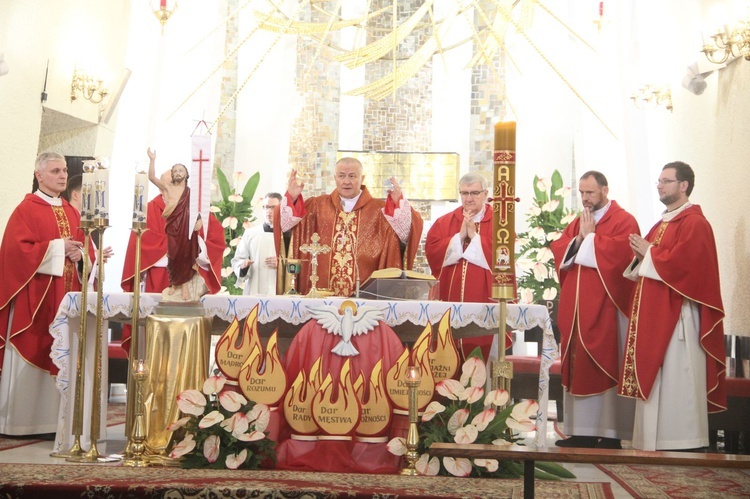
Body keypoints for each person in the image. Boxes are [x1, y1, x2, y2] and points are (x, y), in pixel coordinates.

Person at [620, 161, 725, 451]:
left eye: (666, 181)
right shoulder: (662, 223)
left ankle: (682, 439)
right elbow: (654, 261)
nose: (659, 185)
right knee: (657, 375)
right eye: (658, 181)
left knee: (678, 376)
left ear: (684, 185)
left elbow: (687, 267)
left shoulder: (695, 223)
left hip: (679, 316)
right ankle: (651, 439)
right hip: (656, 314)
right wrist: (642, 256)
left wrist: (649, 253)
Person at [0, 152, 93, 436]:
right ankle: (21, 424)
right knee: (35, 345)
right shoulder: (26, 209)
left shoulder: (72, 211)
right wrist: (55, 248)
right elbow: (14, 252)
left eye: (64, 170)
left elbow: (86, 251)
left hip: (65, 298)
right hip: (36, 299)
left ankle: (56, 424)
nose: (63, 175)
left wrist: (82, 256)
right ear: (39, 175)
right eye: (55, 171)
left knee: (62, 352)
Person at [550, 171, 639, 449]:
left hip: (607, 309)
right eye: (582, 193)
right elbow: (561, 248)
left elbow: (621, 257)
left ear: (605, 190)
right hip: (577, 309)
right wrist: (578, 240)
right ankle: (580, 431)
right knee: (578, 366)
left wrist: (589, 239)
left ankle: (610, 433)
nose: (585, 199)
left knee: (605, 364)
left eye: (590, 192)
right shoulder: (580, 220)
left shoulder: (624, 219)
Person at [274, 157, 423, 296]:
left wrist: (399, 206)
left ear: (362, 178)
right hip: (320, 298)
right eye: (341, 176)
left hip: (365, 299)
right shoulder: (316, 206)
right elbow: (288, 230)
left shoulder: (379, 210)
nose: (346, 181)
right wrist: (292, 199)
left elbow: (405, 236)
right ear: (334, 178)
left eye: (352, 176)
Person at [147, 148, 224, 302]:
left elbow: (201, 207)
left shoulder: (191, 192)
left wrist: (200, 222)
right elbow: (151, 177)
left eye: (180, 170)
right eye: (175, 171)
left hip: (187, 229)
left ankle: (186, 289)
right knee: (174, 257)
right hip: (173, 228)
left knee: (187, 257)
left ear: (186, 174)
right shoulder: (167, 188)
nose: (177, 173)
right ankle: (174, 285)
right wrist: (152, 160)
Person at [425, 172, 494, 303]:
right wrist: (460, 237)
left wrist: (474, 236)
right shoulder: (444, 222)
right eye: (464, 193)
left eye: (474, 193)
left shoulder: (500, 224)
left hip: (486, 298)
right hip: (451, 295)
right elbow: (432, 253)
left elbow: (504, 256)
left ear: (485, 194)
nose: (468, 199)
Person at [231, 192, 281, 295]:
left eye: (273, 207)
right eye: (266, 207)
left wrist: (282, 264)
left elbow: (295, 262)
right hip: (254, 288)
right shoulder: (250, 233)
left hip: (278, 289)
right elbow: (238, 260)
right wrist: (243, 266)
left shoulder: (287, 235)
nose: (269, 211)